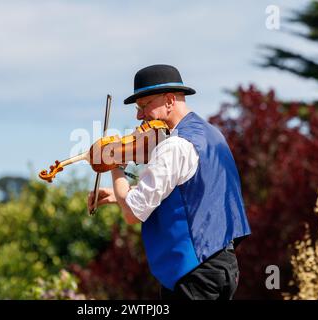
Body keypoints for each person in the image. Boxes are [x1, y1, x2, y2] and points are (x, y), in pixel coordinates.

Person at [88, 64, 251, 300]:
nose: (139, 116)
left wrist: (114, 163)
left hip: (193, 273)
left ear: (169, 100)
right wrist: (117, 195)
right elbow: (193, 192)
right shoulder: (212, 134)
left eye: (144, 106)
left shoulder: (175, 146)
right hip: (224, 267)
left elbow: (133, 213)